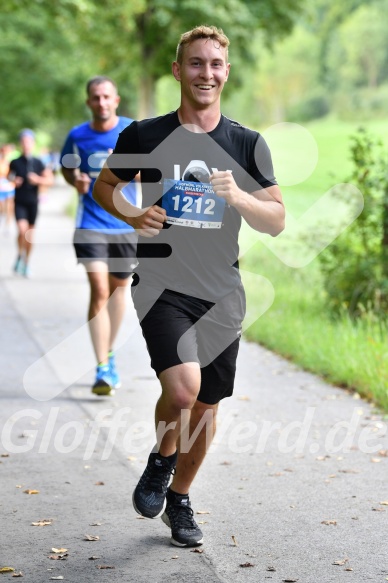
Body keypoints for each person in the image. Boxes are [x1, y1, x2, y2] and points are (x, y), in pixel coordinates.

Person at [94, 26, 285, 547]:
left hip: (223, 291)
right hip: (161, 283)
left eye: (215, 64)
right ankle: (160, 461)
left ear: (226, 71)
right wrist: (135, 214)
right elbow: (105, 185)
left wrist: (240, 198)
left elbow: (277, 219)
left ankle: (179, 498)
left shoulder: (246, 143)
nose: (206, 73)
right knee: (183, 389)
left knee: (205, 406)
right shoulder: (145, 135)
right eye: (195, 64)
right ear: (178, 71)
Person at [60, 76, 137, 397]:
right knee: (99, 288)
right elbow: (66, 167)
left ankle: (109, 351)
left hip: (125, 223)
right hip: (90, 222)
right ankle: (102, 366)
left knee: (119, 290)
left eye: (107, 97)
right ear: (89, 102)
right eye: (96, 97)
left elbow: (153, 170)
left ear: (116, 100)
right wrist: (74, 180)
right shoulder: (77, 136)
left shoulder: (133, 132)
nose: (102, 102)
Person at [9, 130, 54, 277]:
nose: (26, 144)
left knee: (29, 235)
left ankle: (25, 262)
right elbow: (9, 178)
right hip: (19, 202)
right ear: (20, 143)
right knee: (22, 231)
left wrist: (37, 180)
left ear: (33, 143)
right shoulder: (15, 162)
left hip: (33, 203)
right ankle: (20, 255)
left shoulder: (38, 162)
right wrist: (13, 181)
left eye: (29, 141)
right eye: (23, 141)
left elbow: (49, 180)